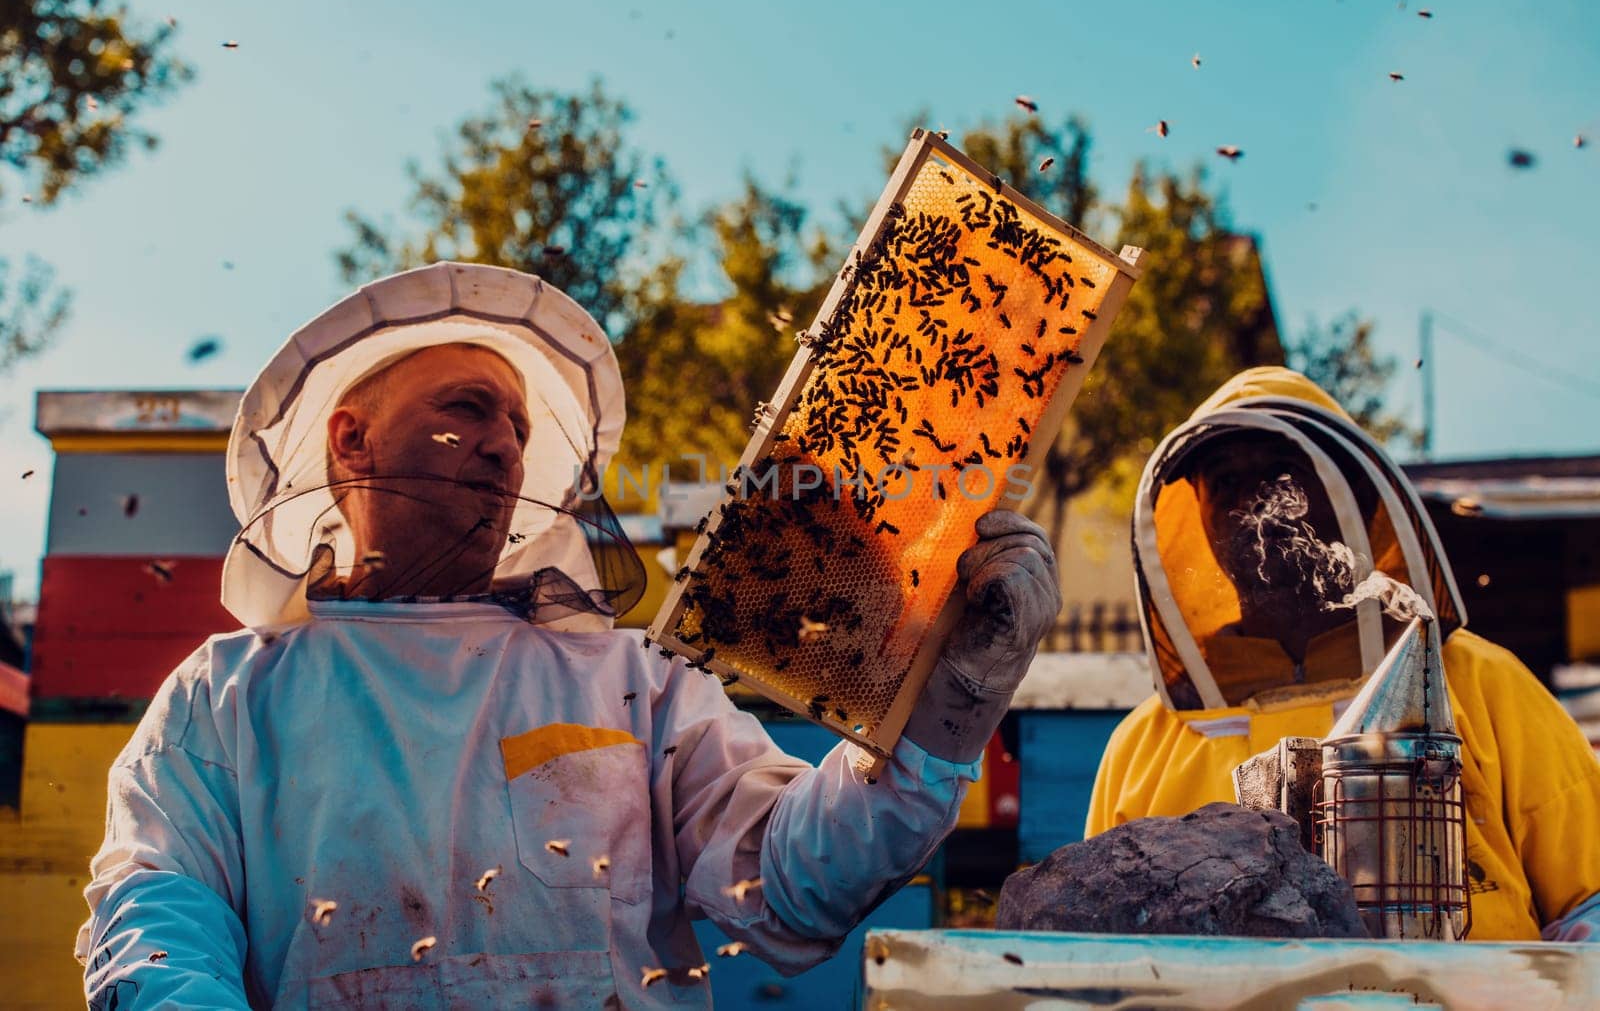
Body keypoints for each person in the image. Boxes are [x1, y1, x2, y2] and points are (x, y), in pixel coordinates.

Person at [77, 262, 1061, 1008]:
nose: (505, 442)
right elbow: (159, 907)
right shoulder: (227, 695)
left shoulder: (630, 682)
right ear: (350, 440)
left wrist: (946, 706)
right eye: (468, 408)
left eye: (516, 421)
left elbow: (797, 885)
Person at [1087, 366, 1600, 942]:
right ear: (1198, 516)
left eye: (1284, 475)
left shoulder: (1483, 686)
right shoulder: (1143, 747)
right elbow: (1106, 955)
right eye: (1226, 481)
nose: (1257, 503)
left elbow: (1592, 906)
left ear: (1357, 496)